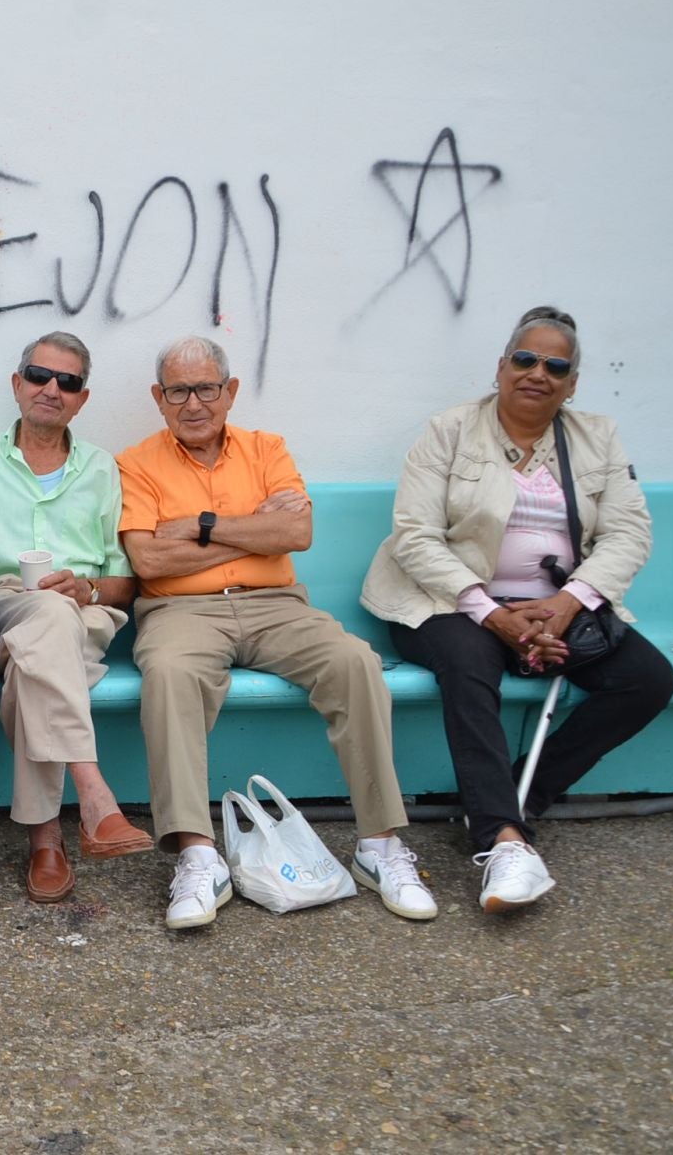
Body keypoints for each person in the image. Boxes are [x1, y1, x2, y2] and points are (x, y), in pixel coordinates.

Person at [116, 337, 435, 930]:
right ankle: (197, 856)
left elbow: (296, 534)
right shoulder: (136, 462)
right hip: (180, 612)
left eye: (206, 388)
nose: (193, 403)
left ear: (230, 391)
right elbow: (150, 560)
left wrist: (200, 526)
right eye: (178, 391)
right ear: (159, 398)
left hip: (277, 606)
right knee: (170, 673)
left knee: (354, 661)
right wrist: (254, 532)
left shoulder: (268, 449)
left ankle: (380, 845)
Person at [362, 307, 673, 913]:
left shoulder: (598, 438)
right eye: (526, 359)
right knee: (470, 661)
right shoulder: (449, 431)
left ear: (572, 383)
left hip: (559, 605)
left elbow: (628, 533)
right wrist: (492, 614)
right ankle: (502, 839)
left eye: (556, 366)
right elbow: (415, 537)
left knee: (647, 679)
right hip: (444, 601)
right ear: (502, 367)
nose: (538, 373)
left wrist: (566, 604)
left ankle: (518, 794)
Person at [0, 332, 150, 905]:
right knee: (46, 622)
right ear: (18, 385)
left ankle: (47, 837)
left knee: (35, 660)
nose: (51, 389)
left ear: (82, 399)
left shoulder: (102, 469)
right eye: (39, 376)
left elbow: (124, 580)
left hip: (82, 613)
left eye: (68, 382)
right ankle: (92, 798)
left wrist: (86, 587)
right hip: (0, 606)